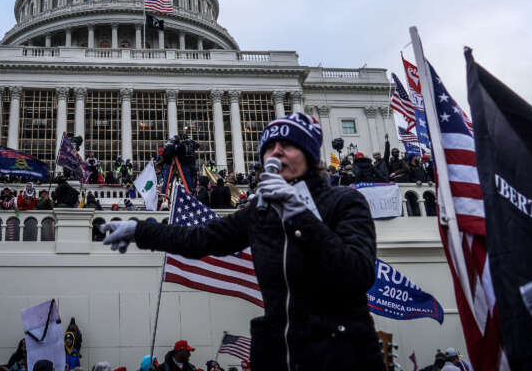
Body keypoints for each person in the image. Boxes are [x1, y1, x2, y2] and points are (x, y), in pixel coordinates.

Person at [102, 112, 385, 370]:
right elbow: (199, 238)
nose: (276, 152)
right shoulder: (260, 213)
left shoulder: (344, 202)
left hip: (341, 354)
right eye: (269, 148)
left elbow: (358, 272)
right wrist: (138, 230)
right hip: (277, 354)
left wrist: (297, 213)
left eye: (287, 145)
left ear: (309, 154)